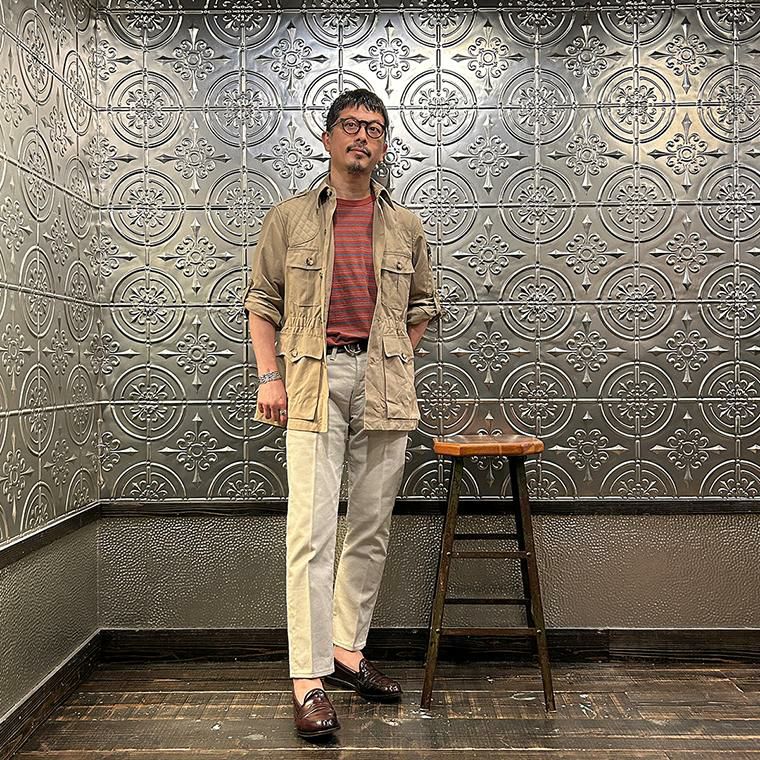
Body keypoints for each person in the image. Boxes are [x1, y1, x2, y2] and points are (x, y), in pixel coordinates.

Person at [243, 88, 440, 739]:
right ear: (327, 138)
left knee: (371, 525)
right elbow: (261, 303)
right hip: (311, 381)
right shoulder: (290, 218)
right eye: (351, 125)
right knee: (311, 530)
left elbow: (422, 307)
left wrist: (394, 359)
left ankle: (347, 651)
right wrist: (269, 377)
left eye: (375, 128)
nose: (363, 136)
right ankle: (307, 679)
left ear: (384, 145)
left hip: (382, 385)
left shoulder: (404, 225)